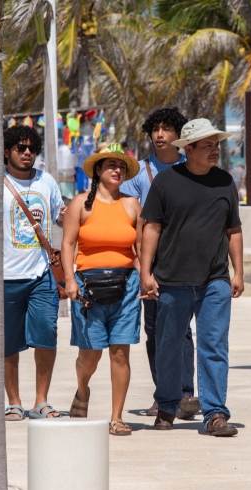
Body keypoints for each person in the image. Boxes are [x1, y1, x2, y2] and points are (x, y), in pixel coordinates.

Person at [139, 118, 244, 437]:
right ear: (189, 149)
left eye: (216, 145)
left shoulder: (225, 181)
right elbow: (151, 228)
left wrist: (238, 271)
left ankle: (215, 414)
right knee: (169, 345)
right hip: (172, 279)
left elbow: (233, 230)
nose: (215, 150)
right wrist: (145, 272)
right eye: (208, 146)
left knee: (214, 345)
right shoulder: (166, 182)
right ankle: (168, 407)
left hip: (215, 280)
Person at [0, 125, 67, 420]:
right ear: (7, 152)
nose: (27, 153)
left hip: (42, 277)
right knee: (8, 342)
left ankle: (41, 400)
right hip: (6, 278)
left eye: (31, 148)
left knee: (46, 335)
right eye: (20, 148)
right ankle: (13, 401)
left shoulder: (46, 181)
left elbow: (61, 217)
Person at [119, 107, 200, 420]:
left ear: (179, 135)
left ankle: (184, 395)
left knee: (183, 332)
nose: (159, 135)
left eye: (167, 129)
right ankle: (163, 394)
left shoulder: (191, 167)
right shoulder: (138, 173)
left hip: (187, 263)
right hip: (151, 264)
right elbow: (132, 224)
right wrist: (142, 268)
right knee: (155, 332)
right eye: (155, 129)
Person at [61, 144, 142, 436]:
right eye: (110, 165)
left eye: (121, 166)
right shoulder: (80, 204)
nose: (117, 170)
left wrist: (146, 276)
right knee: (90, 354)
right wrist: (70, 279)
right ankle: (82, 391)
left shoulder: (132, 204)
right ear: (98, 170)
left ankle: (117, 417)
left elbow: (140, 248)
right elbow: (68, 244)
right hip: (86, 287)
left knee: (120, 352)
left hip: (126, 284)